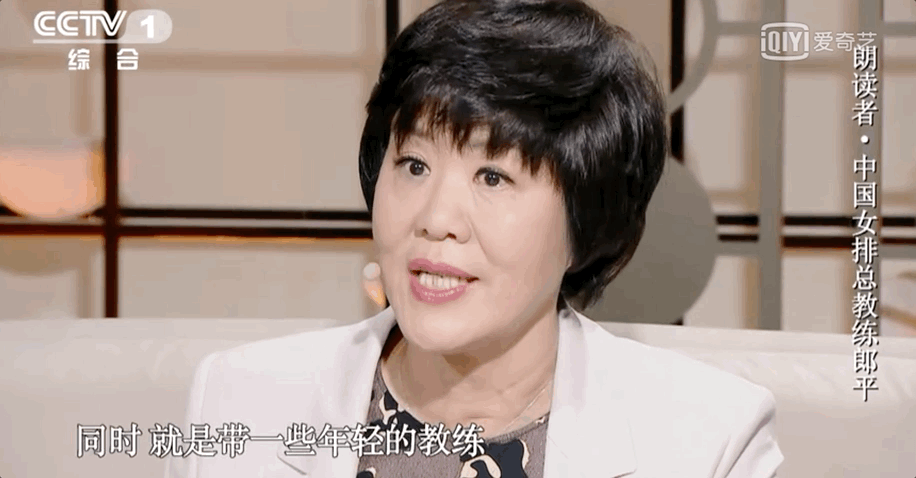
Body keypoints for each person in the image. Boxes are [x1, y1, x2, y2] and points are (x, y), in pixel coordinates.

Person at [167, 1, 783, 477]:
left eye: (493, 176)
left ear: (586, 222)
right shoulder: (238, 400)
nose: (436, 218)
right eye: (413, 165)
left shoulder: (709, 441)